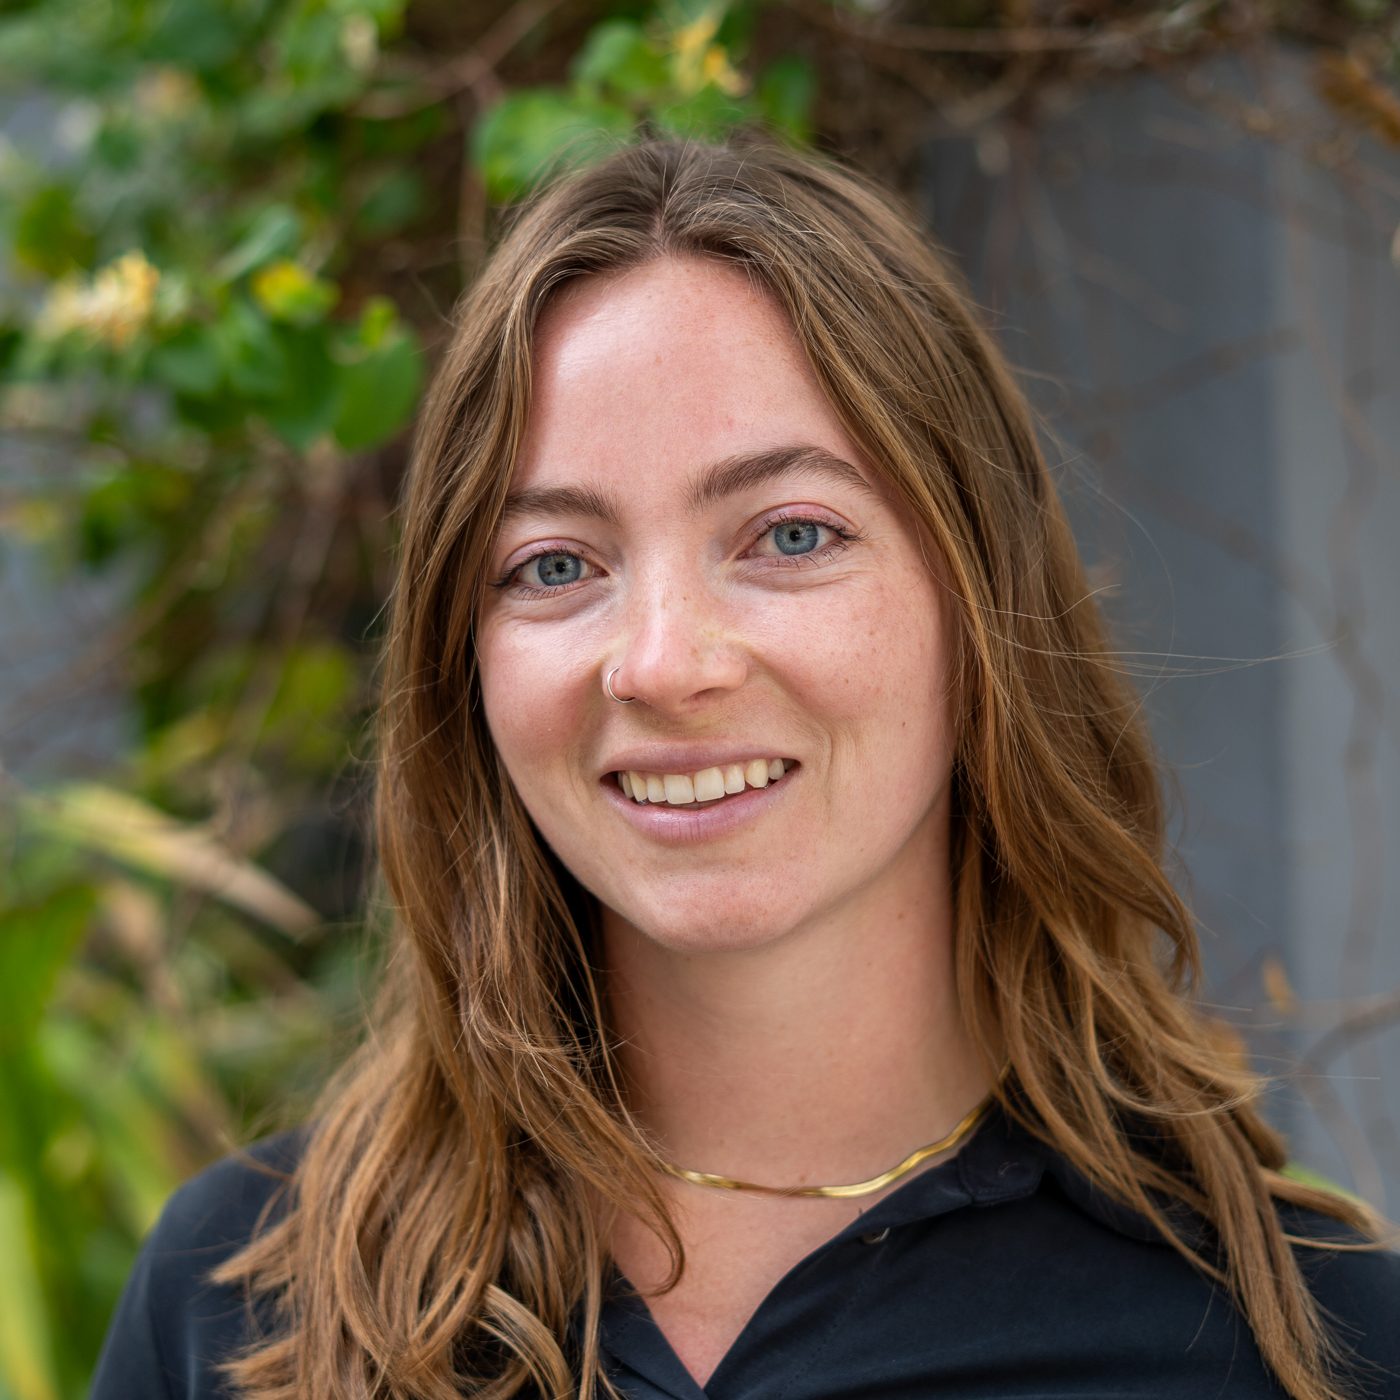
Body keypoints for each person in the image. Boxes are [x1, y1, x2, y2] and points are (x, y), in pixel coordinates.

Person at [90, 136, 1398, 1400]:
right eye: (556, 564)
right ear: (463, 665)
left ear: (978, 595)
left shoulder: (1305, 1345)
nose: (663, 663)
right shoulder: (240, 1307)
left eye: (787, 534)